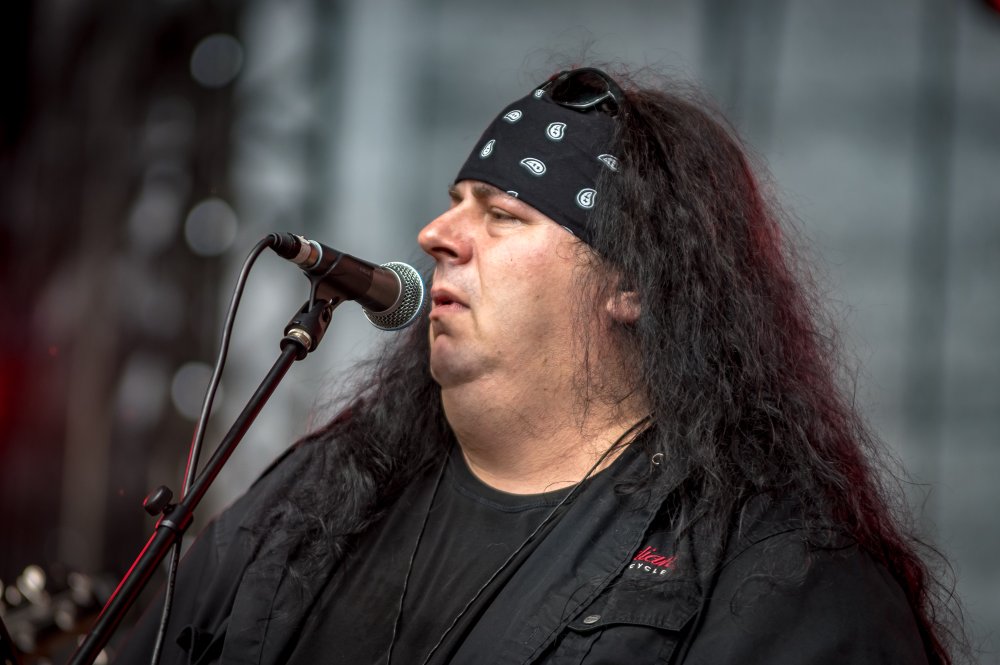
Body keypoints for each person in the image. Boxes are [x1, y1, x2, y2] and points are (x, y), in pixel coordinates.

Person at [117, 66, 963, 664]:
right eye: (455, 204)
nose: (437, 235)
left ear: (631, 282)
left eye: (503, 214)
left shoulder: (783, 573)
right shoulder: (323, 488)